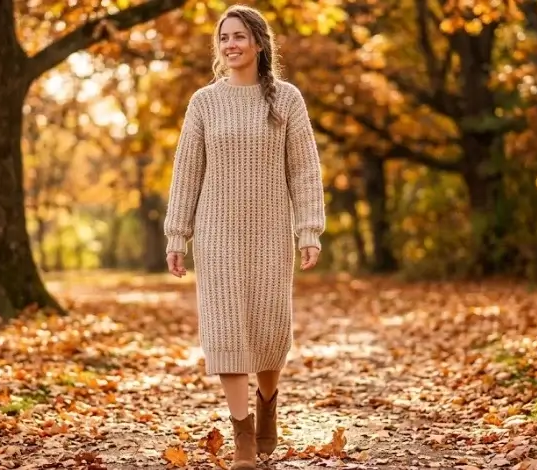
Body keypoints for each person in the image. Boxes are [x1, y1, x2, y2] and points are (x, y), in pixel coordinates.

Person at [163, 4, 325, 469]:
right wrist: (179, 236)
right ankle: (244, 440)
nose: (230, 45)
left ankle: (268, 401)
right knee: (226, 333)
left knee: (270, 333)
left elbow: (304, 170)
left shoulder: (286, 100)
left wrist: (308, 229)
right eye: (223, 38)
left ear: (258, 43)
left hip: (271, 232)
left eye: (238, 36)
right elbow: (186, 174)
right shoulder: (203, 103)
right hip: (217, 236)